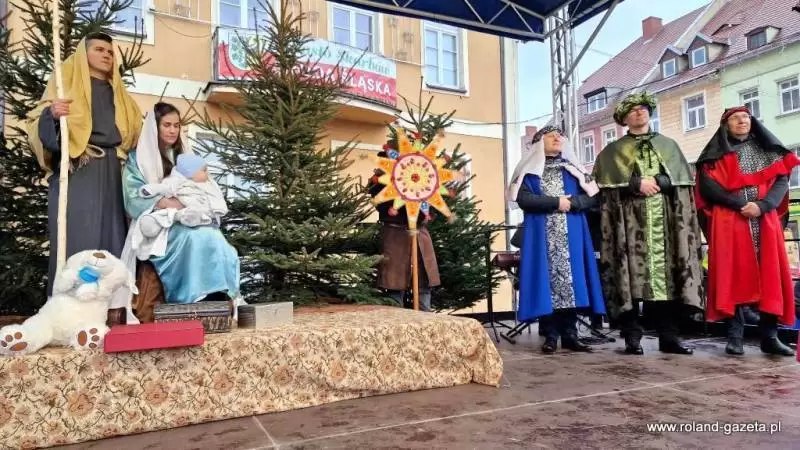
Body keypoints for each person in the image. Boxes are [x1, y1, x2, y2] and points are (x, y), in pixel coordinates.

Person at [27, 32, 142, 296]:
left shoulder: (121, 96)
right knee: (77, 238)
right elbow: (36, 124)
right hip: (79, 169)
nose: (106, 55)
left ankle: (111, 307)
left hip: (114, 172)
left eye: (110, 52)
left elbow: (137, 134)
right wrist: (51, 114)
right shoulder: (65, 87)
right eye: (99, 50)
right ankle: (70, 304)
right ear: (83, 54)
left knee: (113, 241)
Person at [592, 92, 704, 355]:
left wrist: (660, 181)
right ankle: (632, 336)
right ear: (624, 118)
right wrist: (636, 183)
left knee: (666, 278)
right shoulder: (613, 151)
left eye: (642, 108)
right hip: (629, 223)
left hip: (666, 222)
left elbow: (681, 181)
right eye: (632, 110)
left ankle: (669, 336)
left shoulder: (669, 145)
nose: (639, 112)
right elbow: (605, 186)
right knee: (629, 277)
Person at [695, 106, 798, 356]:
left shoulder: (768, 150)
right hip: (730, 220)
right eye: (735, 118)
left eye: (745, 117)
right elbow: (708, 188)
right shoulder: (713, 157)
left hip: (764, 220)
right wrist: (740, 205)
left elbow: (781, 181)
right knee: (733, 273)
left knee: (770, 275)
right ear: (726, 125)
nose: (742, 121)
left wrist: (763, 205)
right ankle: (735, 336)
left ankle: (769, 337)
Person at [121, 102, 240, 306]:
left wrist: (197, 202)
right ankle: (191, 298)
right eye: (167, 125)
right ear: (155, 127)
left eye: (176, 125)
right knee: (194, 239)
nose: (173, 130)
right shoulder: (137, 158)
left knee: (214, 237)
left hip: (191, 216)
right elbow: (133, 197)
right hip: (161, 222)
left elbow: (205, 184)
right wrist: (168, 204)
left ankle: (218, 295)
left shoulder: (185, 156)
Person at [508, 126, 606, 353]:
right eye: (550, 136)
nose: (557, 138)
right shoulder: (529, 171)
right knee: (546, 281)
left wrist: (572, 203)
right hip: (541, 236)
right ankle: (550, 335)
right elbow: (524, 199)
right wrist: (556, 203)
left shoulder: (573, 169)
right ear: (538, 143)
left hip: (572, 234)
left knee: (572, 281)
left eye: (559, 136)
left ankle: (570, 334)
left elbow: (593, 198)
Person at [368, 145, 440, 312]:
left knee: (423, 282)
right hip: (395, 236)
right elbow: (384, 206)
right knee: (394, 283)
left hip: (419, 235)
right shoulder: (379, 183)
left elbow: (430, 209)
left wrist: (423, 207)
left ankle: (425, 322)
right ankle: (398, 322)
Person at [138, 153, 229, 236]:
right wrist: (150, 190)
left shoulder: (208, 184)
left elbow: (215, 197)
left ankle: (192, 219)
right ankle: (152, 223)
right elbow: (164, 188)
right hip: (182, 209)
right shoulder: (177, 181)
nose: (207, 173)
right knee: (168, 213)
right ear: (191, 173)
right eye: (204, 170)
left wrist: (218, 209)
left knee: (194, 213)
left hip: (200, 211)